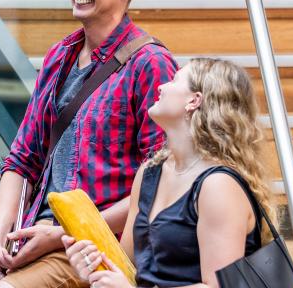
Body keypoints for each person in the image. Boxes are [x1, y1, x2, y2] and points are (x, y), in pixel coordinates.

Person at [0, 0, 178, 288]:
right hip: (37, 231)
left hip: (95, 246)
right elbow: (21, 160)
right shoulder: (59, 55)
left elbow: (162, 183)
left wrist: (61, 231)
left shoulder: (150, 63)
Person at [62, 58, 279, 288]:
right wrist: (93, 266)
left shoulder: (218, 185)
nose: (161, 86)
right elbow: (128, 267)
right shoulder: (149, 173)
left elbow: (219, 287)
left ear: (194, 101)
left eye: (174, 80)